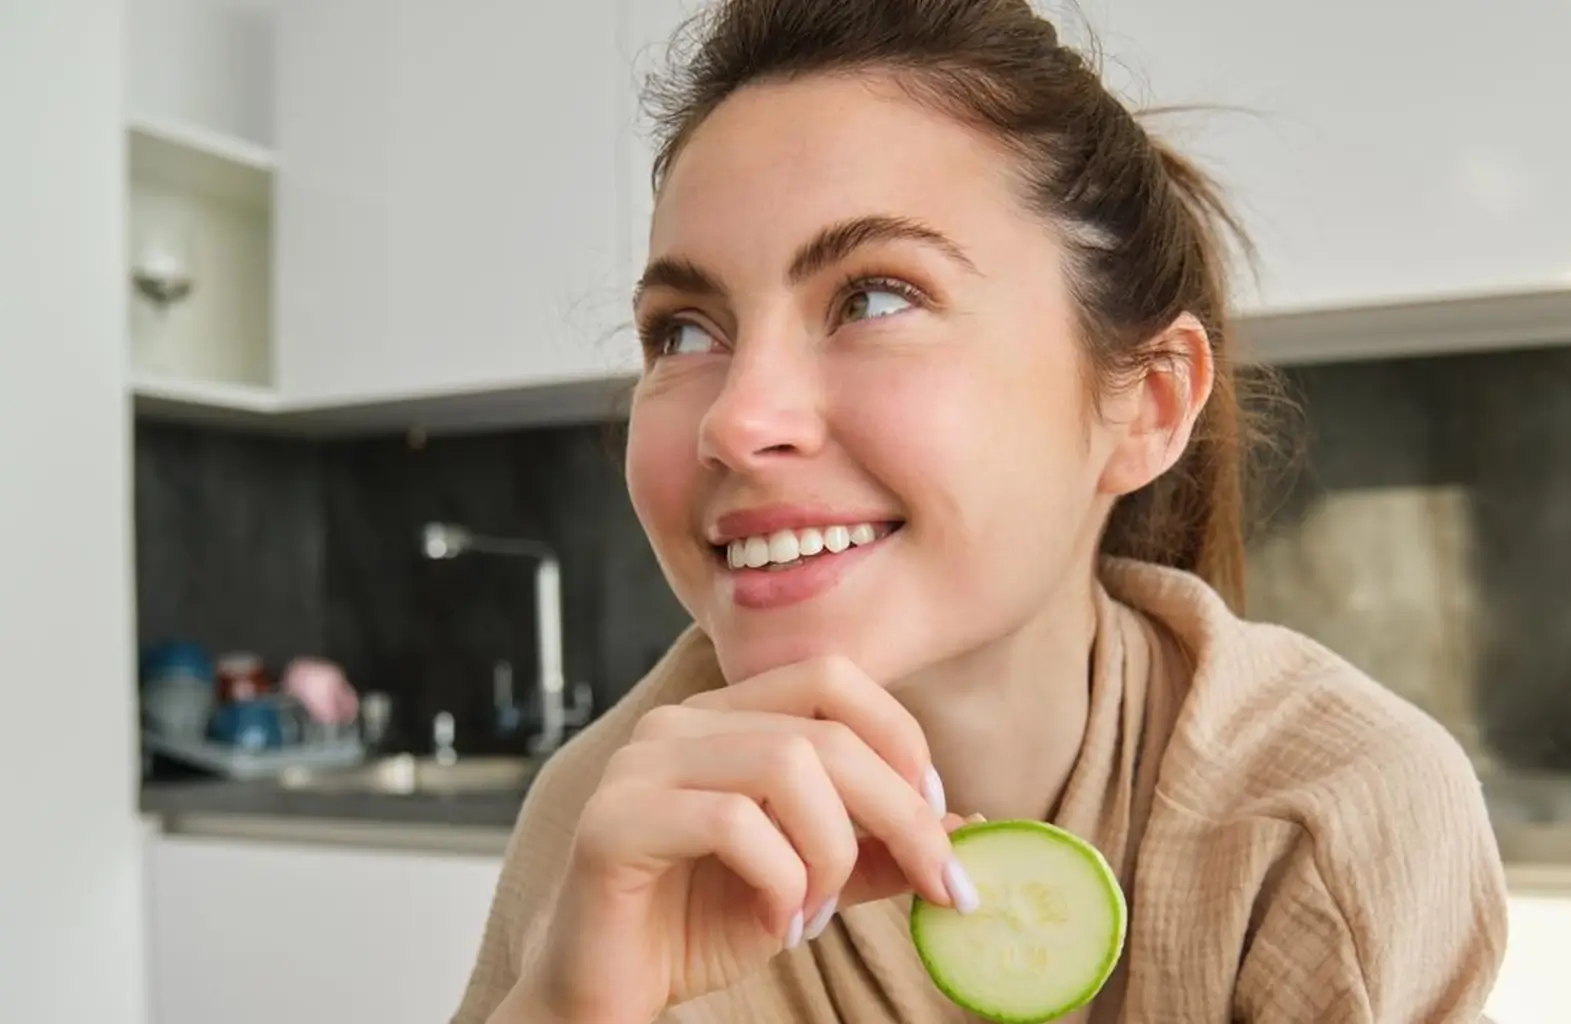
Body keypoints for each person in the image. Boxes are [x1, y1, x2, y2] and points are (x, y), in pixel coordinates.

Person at [454, 1, 1507, 1021]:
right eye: (683, 331)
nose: (736, 420)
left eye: (874, 297)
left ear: (1144, 402)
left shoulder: (1336, 812)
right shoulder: (613, 825)